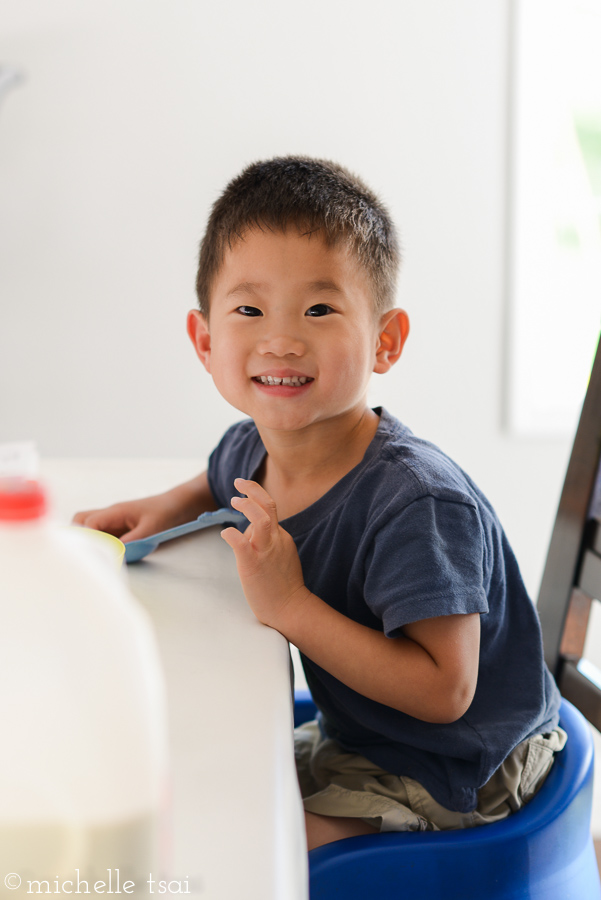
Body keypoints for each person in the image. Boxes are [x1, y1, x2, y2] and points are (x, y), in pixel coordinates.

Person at [74, 156, 565, 851]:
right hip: (368, 733)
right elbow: (217, 480)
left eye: (319, 309)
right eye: (249, 309)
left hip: (459, 769)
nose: (280, 338)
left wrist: (289, 607)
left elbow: (445, 693)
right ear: (206, 341)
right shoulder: (254, 446)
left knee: (241, 846)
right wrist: (168, 506)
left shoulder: (415, 504)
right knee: (189, 778)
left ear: (384, 341)